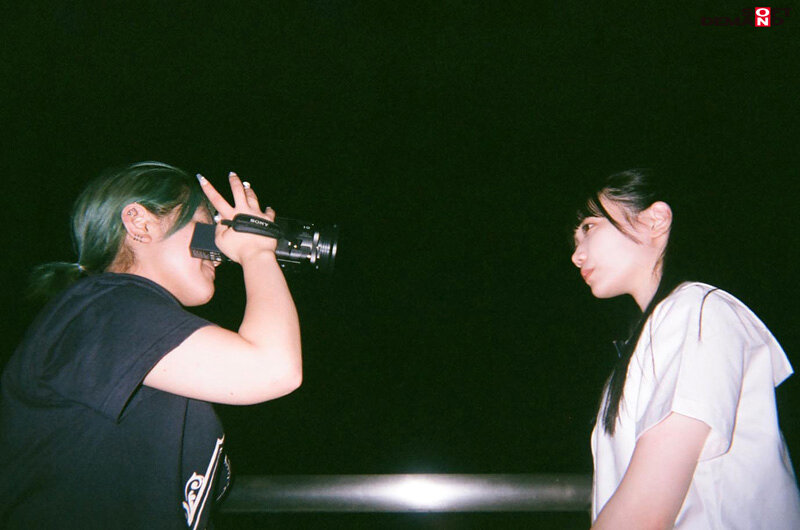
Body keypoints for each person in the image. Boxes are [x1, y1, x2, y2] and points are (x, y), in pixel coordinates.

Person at [0, 162, 302, 529]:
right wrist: (256, 252)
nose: (219, 250)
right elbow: (272, 368)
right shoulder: (103, 309)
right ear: (140, 223)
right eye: (206, 229)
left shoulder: (132, 328)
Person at [571, 169, 800, 529]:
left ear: (656, 220)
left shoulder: (699, 311)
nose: (576, 255)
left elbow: (646, 514)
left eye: (589, 227)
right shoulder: (661, 328)